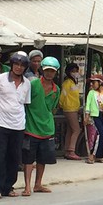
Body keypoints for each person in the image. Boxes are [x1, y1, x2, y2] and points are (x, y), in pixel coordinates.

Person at [0, 52, 32, 198]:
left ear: (25, 68)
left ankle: (9, 187)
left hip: (18, 125)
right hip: (0, 124)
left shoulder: (27, 84)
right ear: (12, 64)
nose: (19, 68)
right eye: (16, 64)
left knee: (14, 158)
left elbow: (24, 104)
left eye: (22, 65)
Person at [22, 56, 61, 196]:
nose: (50, 73)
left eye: (52, 71)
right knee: (28, 159)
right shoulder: (33, 85)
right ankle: (27, 186)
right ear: (42, 70)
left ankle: (38, 184)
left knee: (42, 158)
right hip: (31, 127)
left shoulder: (56, 90)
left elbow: (54, 108)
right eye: (47, 70)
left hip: (47, 128)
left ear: (56, 72)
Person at [84, 74, 103, 164]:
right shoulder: (91, 93)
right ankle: (92, 154)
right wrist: (87, 116)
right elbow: (88, 104)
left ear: (100, 83)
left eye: (94, 82)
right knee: (100, 134)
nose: (92, 84)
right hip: (95, 115)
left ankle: (99, 155)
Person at [59, 62, 82, 160]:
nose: (75, 73)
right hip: (69, 108)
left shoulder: (73, 83)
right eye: (73, 71)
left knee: (70, 129)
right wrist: (61, 105)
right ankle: (71, 150)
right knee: (77, 129)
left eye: (76, 71)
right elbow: (62, 96)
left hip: (73, 108)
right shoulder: (67, 83)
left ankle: (67, 150)